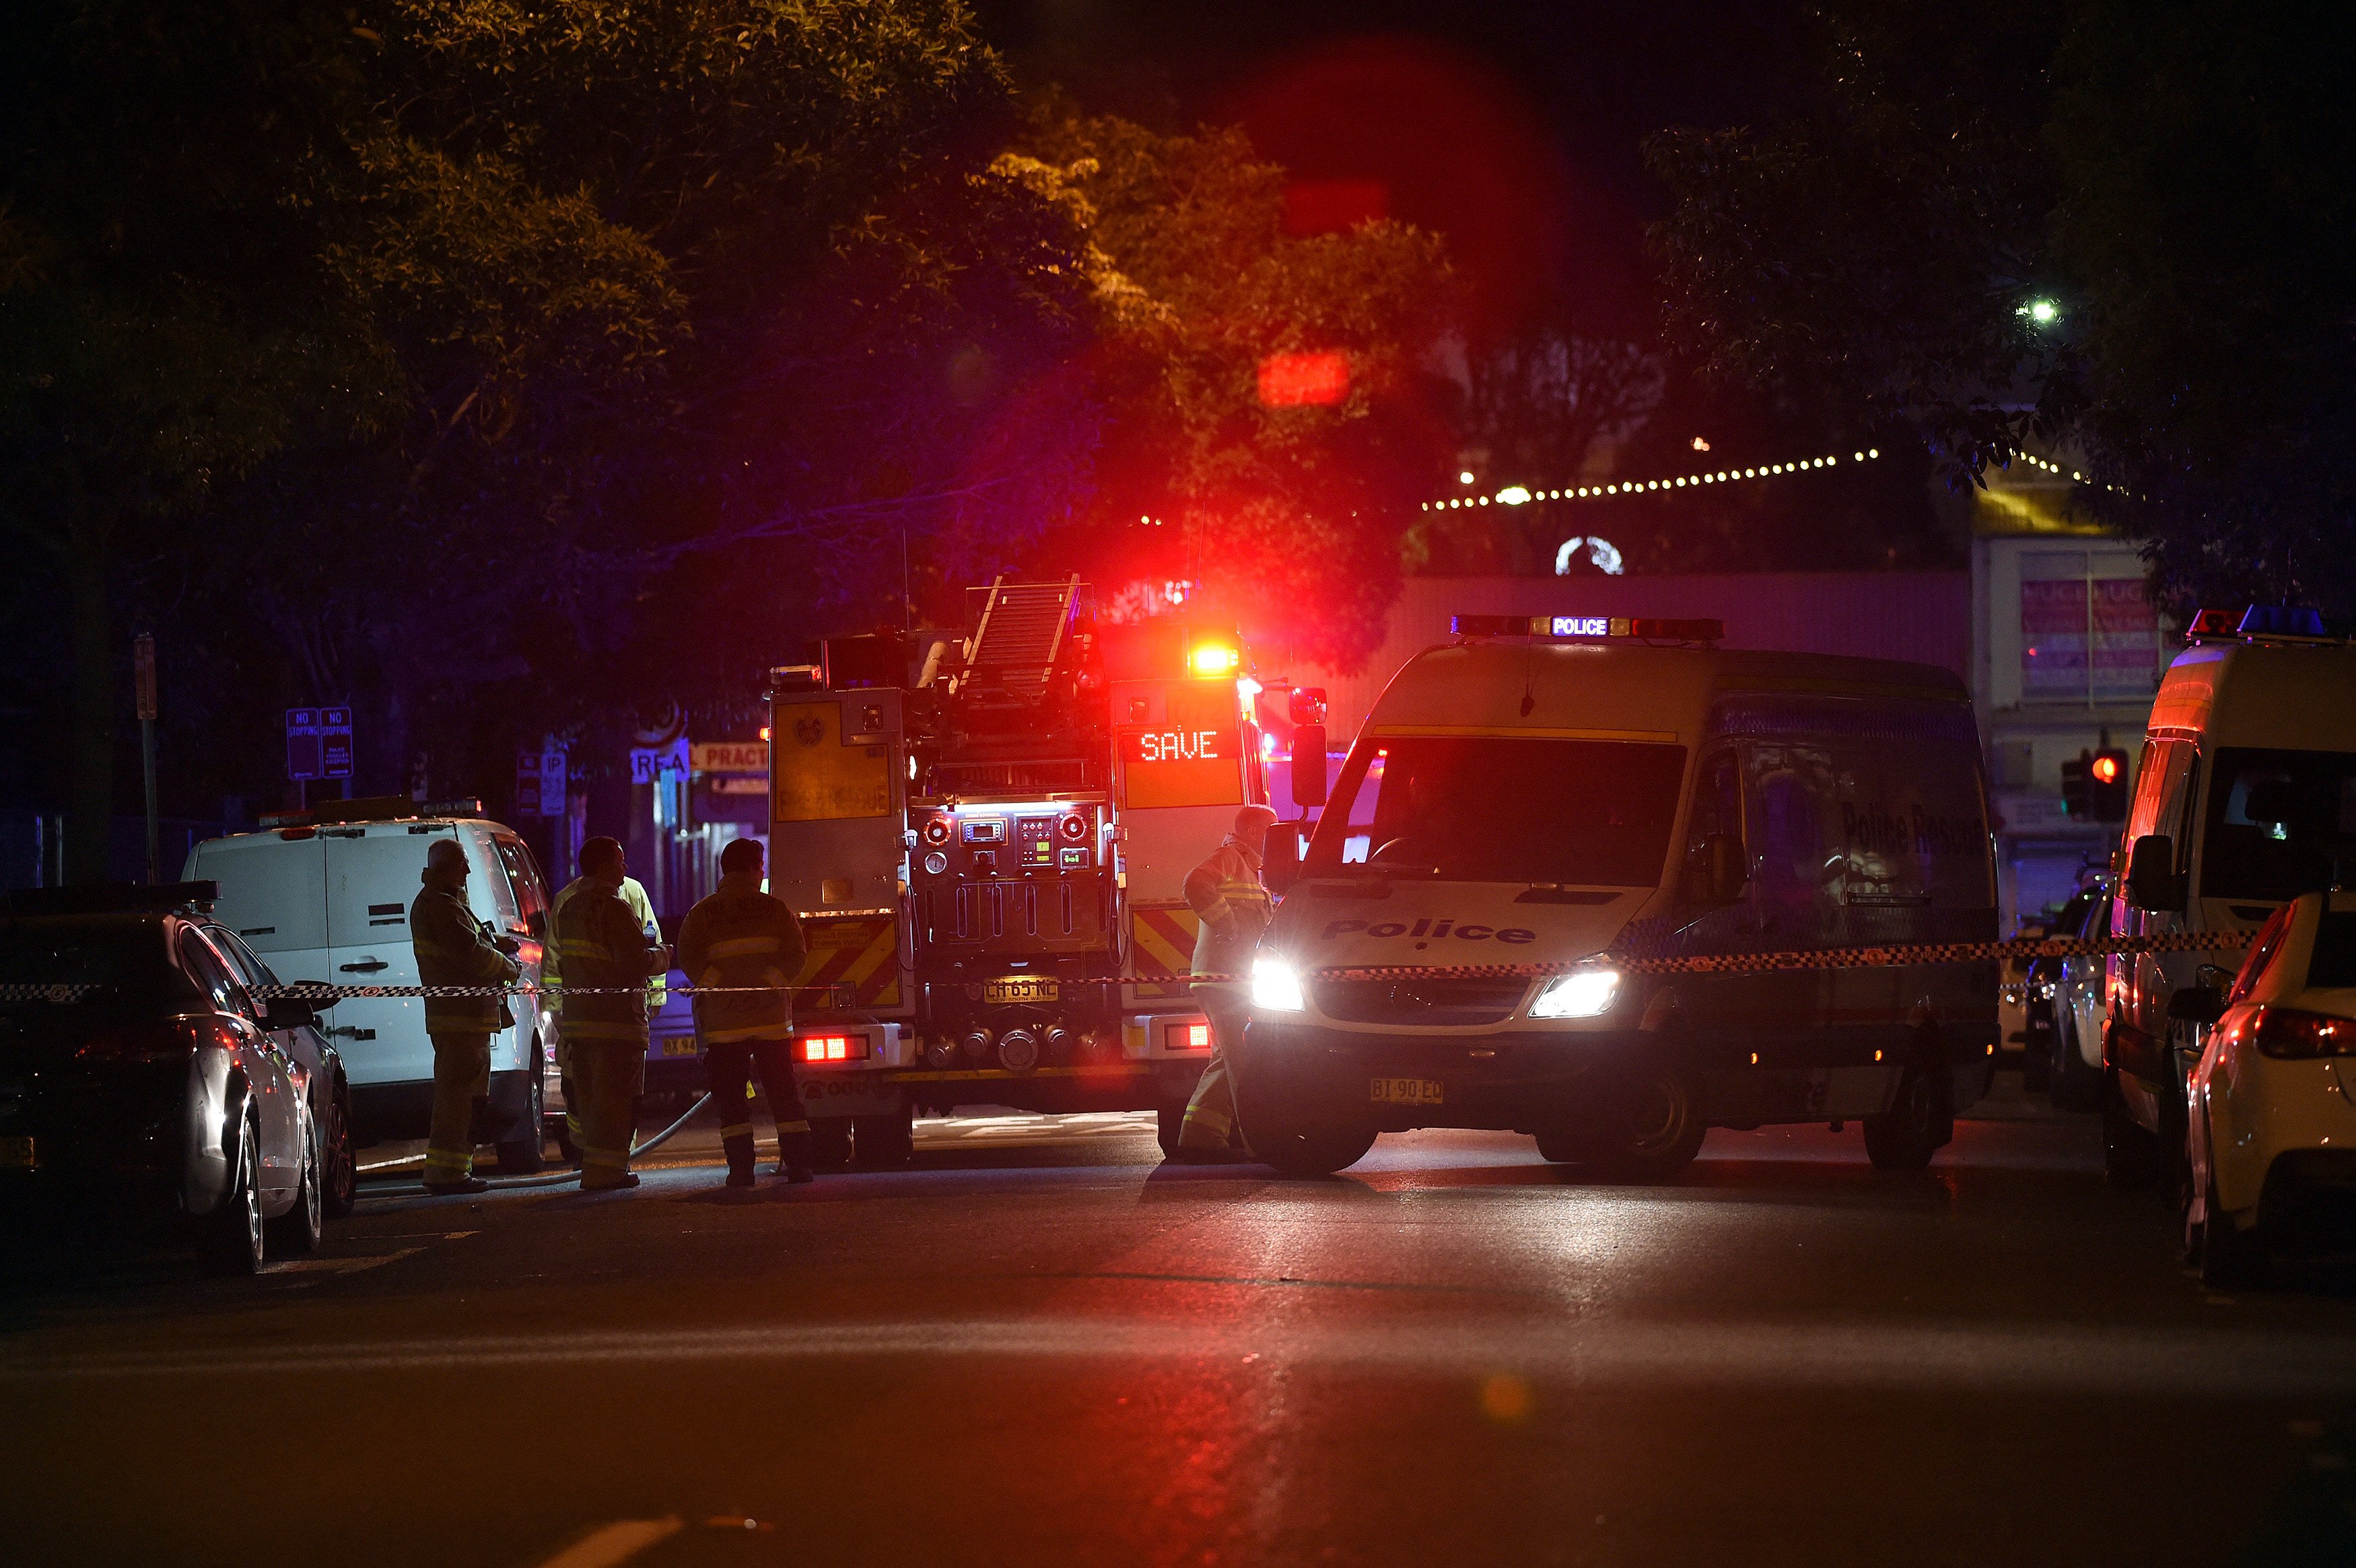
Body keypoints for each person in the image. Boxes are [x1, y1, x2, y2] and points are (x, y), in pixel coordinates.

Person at [676, 837, 815, 1186]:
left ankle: (741, 1172)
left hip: (724, 1025)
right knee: (784, 1097)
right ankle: (798, 1166)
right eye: (761, 865)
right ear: (754, 869)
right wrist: (768, 983)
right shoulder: (775, 909)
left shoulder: (702, 912)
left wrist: (720, 988)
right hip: (771, 1021)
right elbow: (797, 954)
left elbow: (689, 957)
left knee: (732, 1102)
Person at [555, 837, 668, 1190]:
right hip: (617, 1025)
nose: (625, 868)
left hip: (581, 1024)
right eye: (620, 862)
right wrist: (662, 956)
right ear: (604, 866)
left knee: (590, 1101)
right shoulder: (616, 909)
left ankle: (595, 1169)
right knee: (620, 1101)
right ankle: (608, 1173)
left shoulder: (569, 909)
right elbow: (634, 963)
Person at [411, 838, 522, 1196]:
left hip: (463, 1019)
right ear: (447, 867)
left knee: (464, 1098)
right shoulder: (442, 906)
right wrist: (508, 966)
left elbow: (469, 947)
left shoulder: (444, 904)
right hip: (459, 1019)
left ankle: (454, 1171)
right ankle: (448, 1174)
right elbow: (470, 955)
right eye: (463, 864)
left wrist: (496, 945)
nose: (469, 870)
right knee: (459, 1099)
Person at [1171, 804, 1280, 1163]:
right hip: (1223, 981)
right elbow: (1194, 883)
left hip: (1231, 981)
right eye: (1271, 831)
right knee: (1243, 1059)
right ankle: (1260, 1142)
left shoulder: (1250, 868)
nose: (1276, 839)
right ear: (1250, 832)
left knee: (1226, 1058)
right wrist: (1228, 926)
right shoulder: (1230, 858)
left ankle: (1200, 1137)